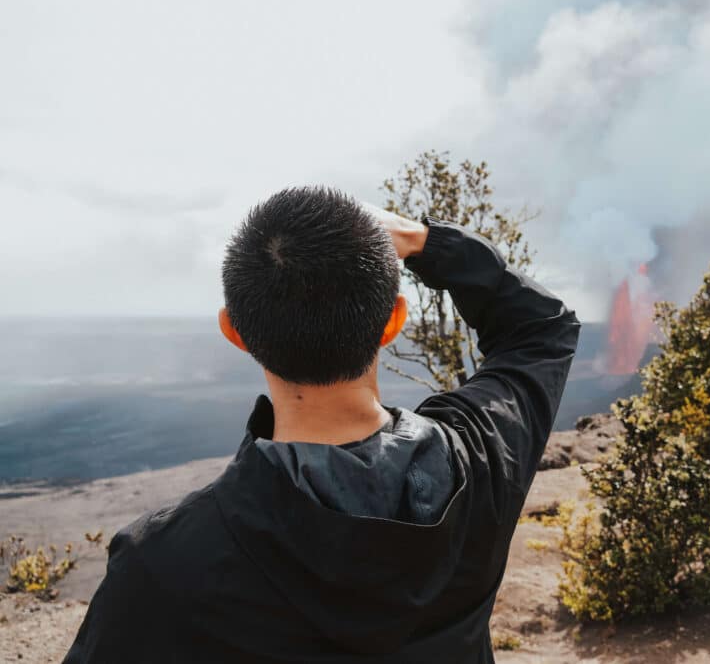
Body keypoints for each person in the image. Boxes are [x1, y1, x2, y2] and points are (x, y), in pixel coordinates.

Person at [64, 187, 580, 663]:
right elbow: (541, 327)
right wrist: (423, 240)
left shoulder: (162, 564)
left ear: (235, 332)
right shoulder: (483, 462)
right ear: (393, 321)